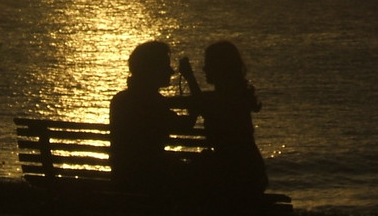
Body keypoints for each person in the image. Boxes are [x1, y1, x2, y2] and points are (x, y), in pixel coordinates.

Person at [179, 40, 268, 198]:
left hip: (237, 174)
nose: (205, 69)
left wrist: (190, 77)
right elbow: (203, 102)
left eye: (209, 64)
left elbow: (202, 103)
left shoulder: (224, 99)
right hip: (251, 170)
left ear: (220, 68)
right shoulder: (239, 96)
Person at [108, 40, 195, 192]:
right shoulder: (153, 102)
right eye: (165, 66)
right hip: (150, 179)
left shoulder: (119, 100)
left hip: (122, 177)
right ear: (152, 69)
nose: (171, 71)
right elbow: (186, 125)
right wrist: (191, 79)